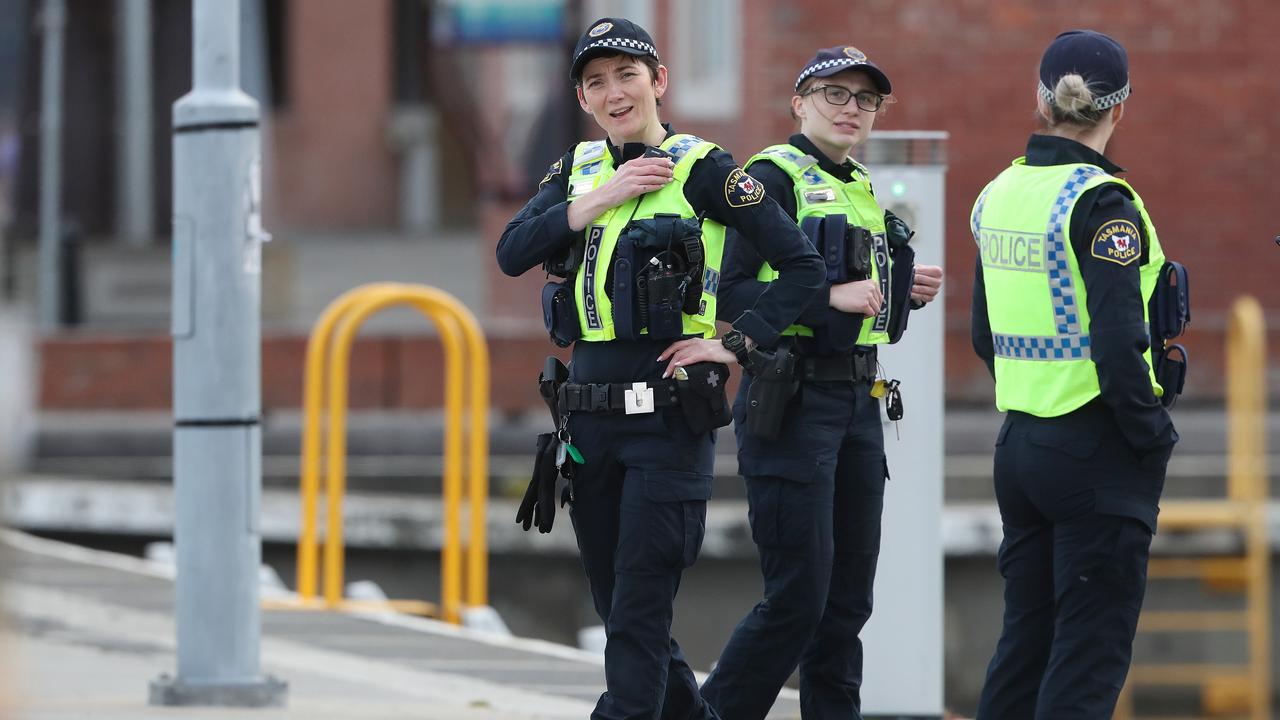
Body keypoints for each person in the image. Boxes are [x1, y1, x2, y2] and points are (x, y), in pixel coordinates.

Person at [496, 17, 825, 720]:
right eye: (596, 82)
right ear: (583, 98)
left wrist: (734, 346)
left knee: (639, 619)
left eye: (627, 76)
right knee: (626, 618)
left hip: (668, 425)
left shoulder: (705, 168)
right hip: (588, 427)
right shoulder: (577, 170)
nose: (614, 93)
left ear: (658, 82)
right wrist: (597, 201)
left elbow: (802, 268)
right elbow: (511, 251)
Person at [699, 46, 944, 719]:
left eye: (864, 99)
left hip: (857, 404)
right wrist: (831, 297)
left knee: (845, 603)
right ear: (798, 103)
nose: (850, 109)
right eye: (834, 94)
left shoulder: (861, 185)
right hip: (793, 399)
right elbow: (732, 291)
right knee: (798, 597)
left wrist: (900, 292)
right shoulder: (768, 179)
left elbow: (858, 296)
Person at [971, 29, 1178, 718]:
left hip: (1020, 447)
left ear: (1041, 96)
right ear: (1122, 107)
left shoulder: (998, 193)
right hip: (1098, 450)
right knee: (1088, 655)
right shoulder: (1103, 205)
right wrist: (1152, 437)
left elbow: (983, 336)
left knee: (1026, 644)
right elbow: (1121, 348)